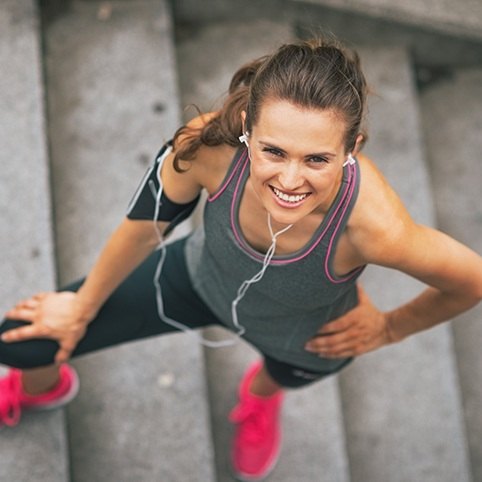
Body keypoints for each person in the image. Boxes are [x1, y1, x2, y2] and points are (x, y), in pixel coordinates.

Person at [1, 37, 482, 480]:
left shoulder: (376, 227)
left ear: (351, 149)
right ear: (249, 129)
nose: (290, 180)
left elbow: (471, 279)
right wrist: (80, 309)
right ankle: (44, 387)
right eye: (273, 151)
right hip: (196, 279)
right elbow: (143, 231)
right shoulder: (208, 147)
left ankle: (259, 397)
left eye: (317, 159)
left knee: (280, 377)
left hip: (301, 338)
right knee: (24, 342)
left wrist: (390, 328)